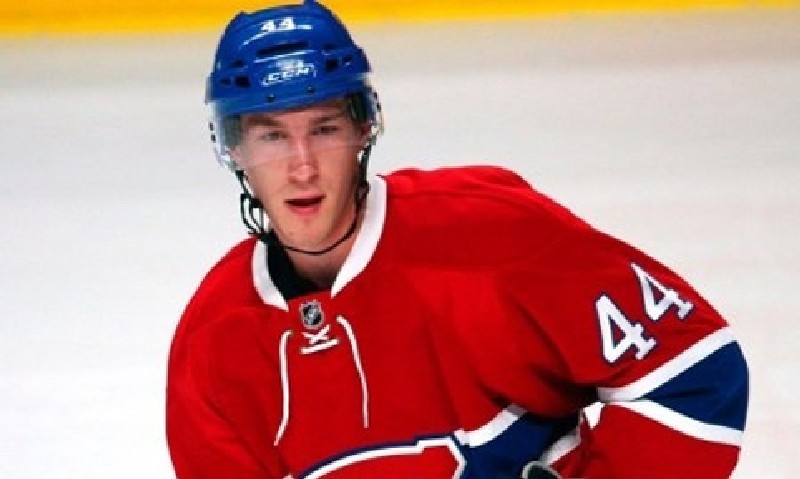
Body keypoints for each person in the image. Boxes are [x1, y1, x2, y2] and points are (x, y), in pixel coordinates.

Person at [165, 1, 749, 478]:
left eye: (325, 129)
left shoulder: (489, 233)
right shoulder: (213, 346)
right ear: (233, 149)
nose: (302, 167)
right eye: (271, 136)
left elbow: (696, 373)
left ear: (364, 128)